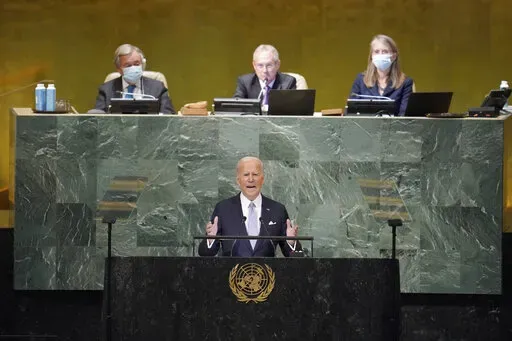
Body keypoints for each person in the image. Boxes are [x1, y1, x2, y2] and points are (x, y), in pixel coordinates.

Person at [198, 156, 301, 257]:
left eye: (255, 174)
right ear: (238, 180)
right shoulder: (223, 209)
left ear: (262, 179)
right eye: (246, 174)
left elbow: (294, 255)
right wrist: (210, 239)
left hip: (267, 273)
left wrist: (291, 242)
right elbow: (205, 253)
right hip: (231, 273)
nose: (251, 179)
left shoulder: (277, 210)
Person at [94, 44, 176, 114]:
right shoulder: (106, 90)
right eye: (128, 66)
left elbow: (169, 117)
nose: (133, 68)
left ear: (142, 65)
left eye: (137, 64)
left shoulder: (158, 88)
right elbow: (98, 118)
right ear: (118, 69)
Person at [349, 34, 414, 116]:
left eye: (385, 52)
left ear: (394, 56)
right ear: (372, 56)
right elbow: (351, 113)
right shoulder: (360, 80)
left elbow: (404, 115)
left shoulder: (406, 82)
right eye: (376, 52)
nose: (380, 55)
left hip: (394, 128)